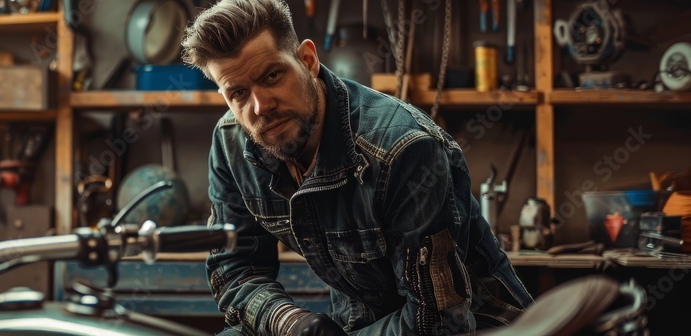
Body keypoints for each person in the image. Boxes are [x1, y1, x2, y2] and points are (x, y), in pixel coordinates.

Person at [181, 0, 534, 335]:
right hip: (359, 322)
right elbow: (236, 269)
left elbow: (437, 321)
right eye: (238, 93)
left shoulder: (403, 151)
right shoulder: (232, 144)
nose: (260, 107)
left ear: (307, 60)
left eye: (272, 76)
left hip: (475, 325)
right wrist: (288, 322)